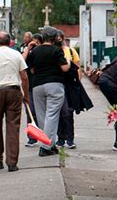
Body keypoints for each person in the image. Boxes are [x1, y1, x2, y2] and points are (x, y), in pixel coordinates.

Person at [0, 31, 29, 172]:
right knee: (13, 127)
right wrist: (26, 95)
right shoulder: (16, 54)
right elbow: (24, 76)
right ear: (10, 41)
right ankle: (12, 162)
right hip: (13, 91)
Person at [27, 27, 70, 156]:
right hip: (54, 85)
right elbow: (64, 68)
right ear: (54, 38)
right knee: (52, 115)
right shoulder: (56, 51)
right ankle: (45, 147)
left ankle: (50, 144)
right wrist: (68, 61)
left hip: (37, 85)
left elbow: (32, 70)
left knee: (41, 116)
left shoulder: (34, 51)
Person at [55, 30, 80, 149]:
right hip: (57, 82)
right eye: (57, 38)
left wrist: (78, 84)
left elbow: (77, 68)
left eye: (61, 37)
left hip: (69, 85)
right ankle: (60, 138)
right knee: (59, 112)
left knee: (68, 112)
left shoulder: (70, 51)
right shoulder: (54, 51)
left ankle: (70, 138)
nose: (59, 39)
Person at [22, 33, 43, 147]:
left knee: (44, 113)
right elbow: (21, 60)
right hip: (30, 87)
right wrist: (28, 49)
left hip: (41, 86)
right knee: (31, 113)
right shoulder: (29, 54)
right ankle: (32, 137)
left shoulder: (45, 54)